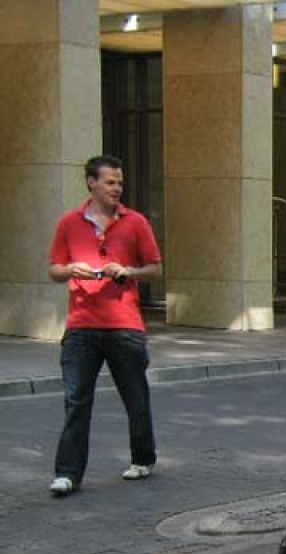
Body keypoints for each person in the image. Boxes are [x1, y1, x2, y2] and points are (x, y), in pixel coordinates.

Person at [47, 155, 164, 497]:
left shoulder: (136, 222)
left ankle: (143, 458)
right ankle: (67, 474)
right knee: (76, 400)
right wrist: (71, 269)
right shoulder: (69, 223)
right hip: (81, 325)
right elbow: (53, 270)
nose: (117, 189)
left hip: (124, 325)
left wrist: (129, 272)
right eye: (110, 182)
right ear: (91, 183)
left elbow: (155, 267)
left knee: (135, 398)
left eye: (119, 183)